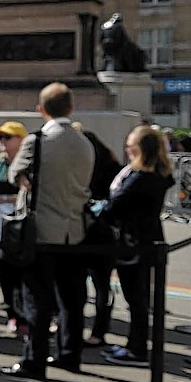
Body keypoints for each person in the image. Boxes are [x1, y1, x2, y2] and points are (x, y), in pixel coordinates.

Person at [0, 83, 95, 380]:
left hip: (40, 231)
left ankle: (34, 361)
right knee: (71, 299)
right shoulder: (85, 142)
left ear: (41, 110)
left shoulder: (37, 141)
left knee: (36, 299)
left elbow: (15, 174)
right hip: (74, 229)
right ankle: (69, 354)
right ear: (71, 108)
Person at [95, 127, 175, 366]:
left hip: (136, 242)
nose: (127, 149)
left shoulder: (142, 177)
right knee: (138, 299)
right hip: (144, 239)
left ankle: (137, 350)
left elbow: (116, 205)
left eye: (131, 145)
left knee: (136, 299)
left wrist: (99, 212)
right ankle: (134, 345)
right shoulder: (157, 172)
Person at [78, 126, 124, 346]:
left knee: (79, 281)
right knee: (102, 285)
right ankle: (99, 330)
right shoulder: (113, 167)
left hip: (88, 230)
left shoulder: (84, 167)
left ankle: (78, 326)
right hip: (106, 233)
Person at [0, 121, 29, 336]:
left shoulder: (27, 163)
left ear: (21, 139)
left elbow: (29, 189)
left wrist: (11, 198)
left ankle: (25, 314)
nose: (3, 142)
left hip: (20, 223)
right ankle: (11, 312)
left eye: (8, 137)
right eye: (0, 137)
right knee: (3, 271)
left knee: (22, 271)